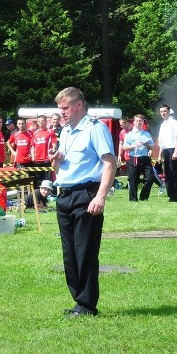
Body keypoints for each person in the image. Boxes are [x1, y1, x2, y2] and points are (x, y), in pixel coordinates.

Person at [50, 87, 116, 317]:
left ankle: (87, 304)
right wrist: (56, 161)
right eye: (60, 108)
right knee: (69, 253)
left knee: (84, 250)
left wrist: (100, 196)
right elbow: (58, 168)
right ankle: (78, 299)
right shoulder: (66, 131)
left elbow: (109, 163)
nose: (62, 113)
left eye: (65, 107)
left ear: (79, 105)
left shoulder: (94, 128)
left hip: (85, 195)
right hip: (65, 194)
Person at [121, 115, 155, 202]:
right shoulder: (129, 134)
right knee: (133, 180)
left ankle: (143, 197)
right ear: (134, 122)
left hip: (145, 158)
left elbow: (151, 146)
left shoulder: (147, 134)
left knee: (150, 178)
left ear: (143, 122)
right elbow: (124, 147)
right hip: (134, 158)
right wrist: (134, 145)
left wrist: (146, 145)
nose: (139, 123)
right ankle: (133, 199)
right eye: (137, 121)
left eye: (140, 121)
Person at [157, 104, 177, 202]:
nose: (163, 113)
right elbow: (161, 142)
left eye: (165, 111)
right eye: (161, 112)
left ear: (169, 111)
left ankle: (175, 196)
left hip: (173, 149)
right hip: (166, 151)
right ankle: (170, 195)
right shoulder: (162, 125)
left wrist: (176, 152)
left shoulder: (174, 123)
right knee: (167, 174)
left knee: (173, 174)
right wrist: (159, 155)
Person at [30, 114, 57, 188]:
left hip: (47, 159)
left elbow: (54, 144)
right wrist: (33, 157)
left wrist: (53, 152)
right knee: (39, 179)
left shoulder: (50, 131)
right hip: (37, 160)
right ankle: (40, 195)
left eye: (42, 121)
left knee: (48, 179)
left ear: (45, 122)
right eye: (39, 121)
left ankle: (49, 196)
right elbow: (32, 146)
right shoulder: (35, 133)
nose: (40, 123)